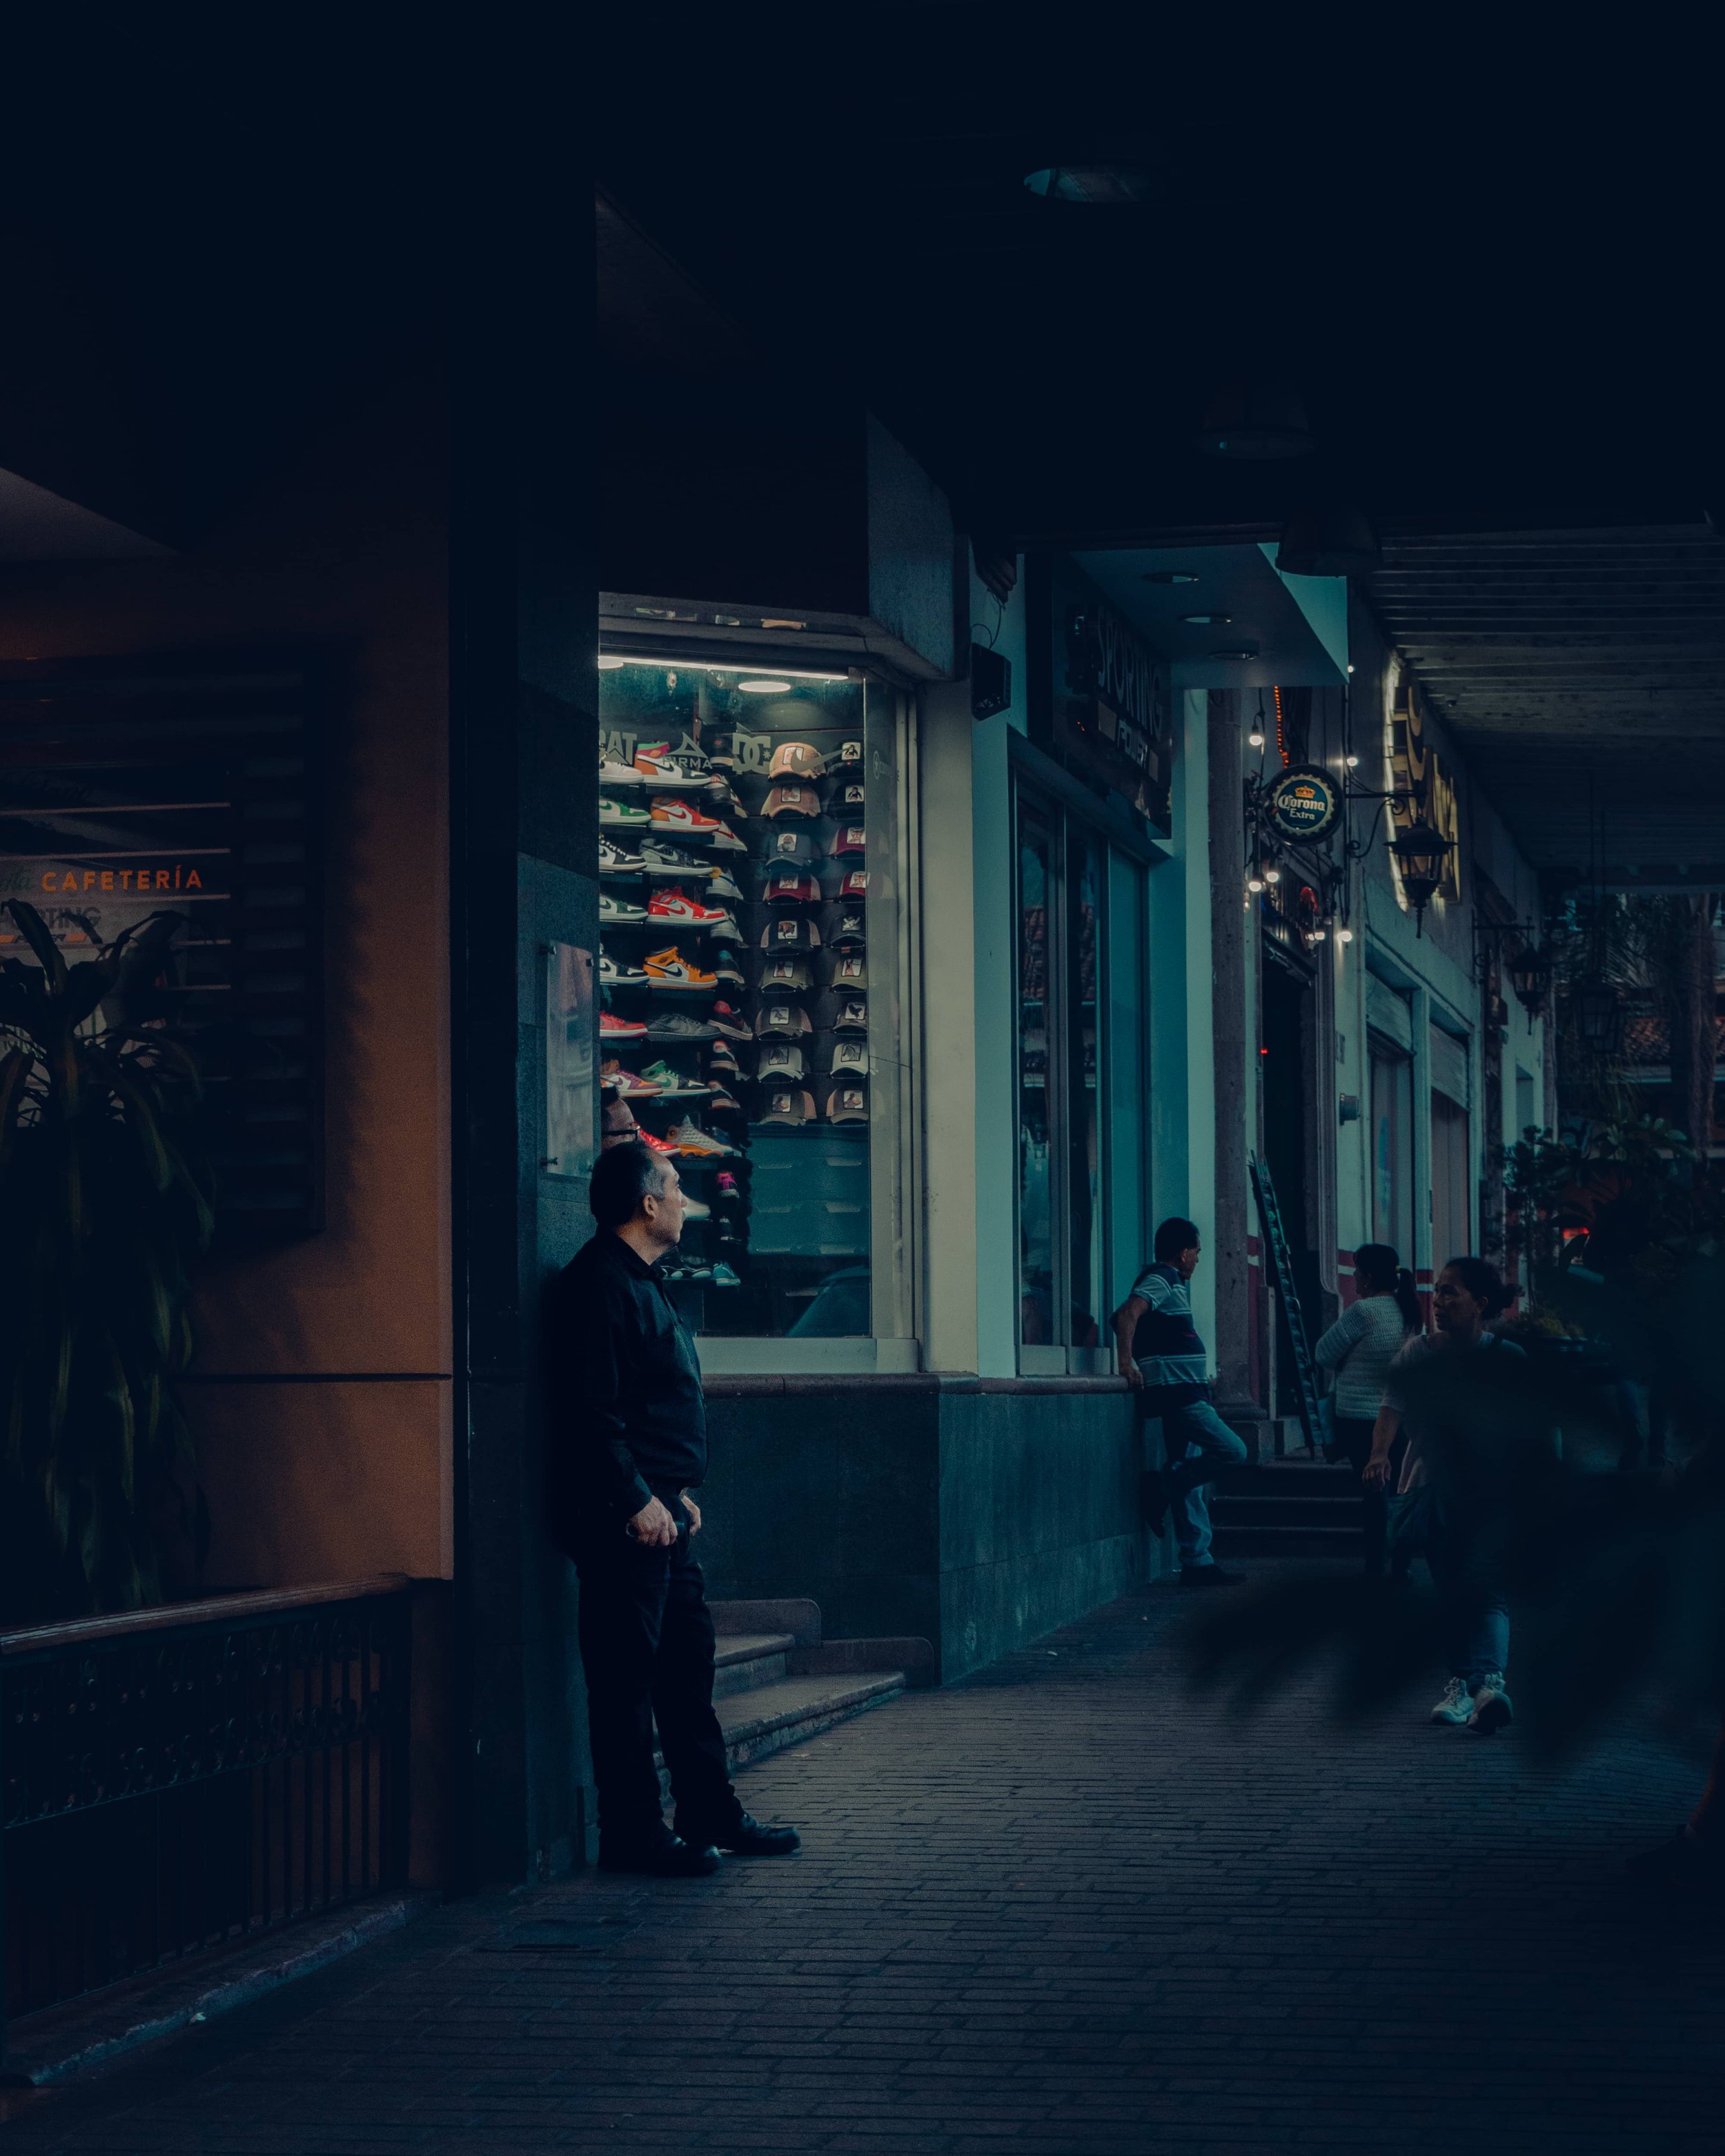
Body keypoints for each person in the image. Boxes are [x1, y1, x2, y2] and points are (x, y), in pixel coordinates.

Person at [546, 1139, 800, 1875]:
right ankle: (631, 1834)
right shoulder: (599, 1283)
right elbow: (590, 1412)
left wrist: (672, 1493)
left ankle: (709, 1813)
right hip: (624, 1523)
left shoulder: (639, 1281)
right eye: (677, 1189)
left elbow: (647, 1404)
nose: (689, 1201)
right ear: (647, 1203)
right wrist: (635, 1498)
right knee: (625, 1682)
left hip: (663, 1519)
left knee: (687, 1670)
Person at [1363, 1255, 1524, 1734]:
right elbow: (1390, 1409)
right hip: (1429, 1489)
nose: (1442, 1300)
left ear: (1482, 1302)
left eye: (1453, 1291)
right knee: (1451, 1591)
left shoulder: (1507, 1360)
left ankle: (1489, 1684)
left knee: (1489, 1591)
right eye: (1441, 1289)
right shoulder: (1416, 1353)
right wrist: (1379, 1455)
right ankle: (1462, 1686)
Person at [1114, 1217, 1248, 1590]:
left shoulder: (1172, 1284)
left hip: (1185, 1391)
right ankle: (1162, 1484)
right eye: (1198, 1253)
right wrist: (1127, 1363)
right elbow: (1127, 1314)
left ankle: (1197, 1562)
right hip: (1180, 1396)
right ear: (1184, 1252)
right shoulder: (1162, 1277)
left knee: (1189, 1473)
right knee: (1233, 1451)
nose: (1198, 1260)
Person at [1313, 1244, 1423, 1574]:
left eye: (1357, 1269)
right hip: (1401, 1417)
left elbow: (1323, 1353)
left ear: (1369, 1276)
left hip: (1360, 1419)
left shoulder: (1364, 1312)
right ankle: (1400, 1567)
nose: (1355, 1276)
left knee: (1374, 1496)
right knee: (1398, 1492)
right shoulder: (1410, 1311)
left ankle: (1375, 1566)